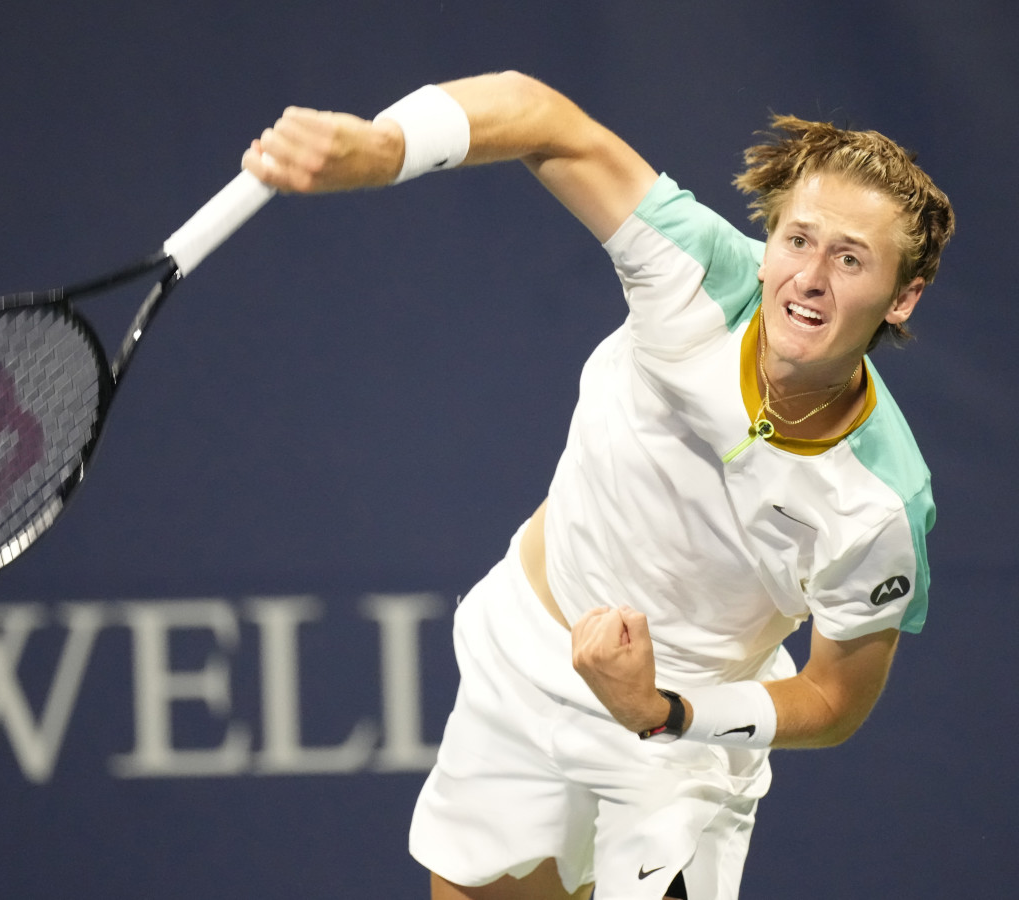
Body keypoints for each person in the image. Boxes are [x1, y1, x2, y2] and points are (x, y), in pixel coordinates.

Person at [241, 72, 955, 900]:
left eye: (851, 258)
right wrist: (386, 147)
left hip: (679, 741)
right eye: (798, 240)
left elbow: (836, 700)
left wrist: (665, 710)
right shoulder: (693, 272)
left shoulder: (878, 505)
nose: (811, 277)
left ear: (902, 297)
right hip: (523, 665)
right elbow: (541, 117)